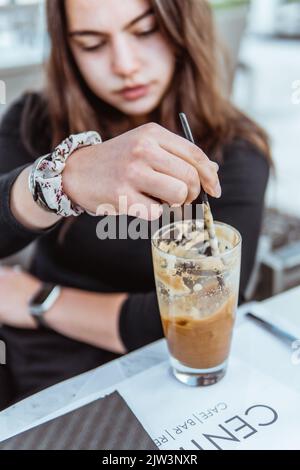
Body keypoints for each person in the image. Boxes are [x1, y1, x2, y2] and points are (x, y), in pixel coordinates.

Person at [0, 0, 270, 407]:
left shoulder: (236, 152)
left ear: (183, 27)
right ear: (66, 50)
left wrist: (41, 301)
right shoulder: (35, 121)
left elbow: (206, 310)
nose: (124, 64)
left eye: (145, 32)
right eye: (91, 43)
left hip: (169, 377)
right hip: (36, 368)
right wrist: (62, 179)